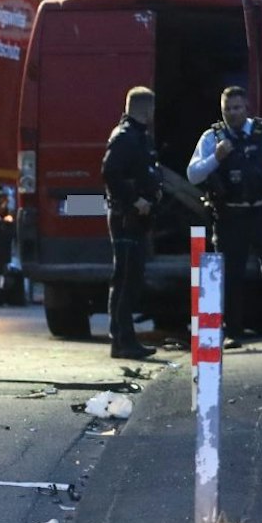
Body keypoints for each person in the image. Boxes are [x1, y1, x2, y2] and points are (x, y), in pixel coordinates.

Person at [185, 86, 262, 339]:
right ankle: (232, 331)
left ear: (246, 108)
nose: (232, 113)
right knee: (230, 276)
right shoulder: (213, 137)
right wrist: (216, 158)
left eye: (237, 108)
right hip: (230, 215)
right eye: (227, 109)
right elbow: (193, 174)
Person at [102, 87, 161, 360]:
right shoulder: (125, 137)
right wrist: (136, 200)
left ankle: (126, 339)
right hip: (126, 217)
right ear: (146, 109)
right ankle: (122, 341)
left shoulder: (138, 137)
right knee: (125, 279)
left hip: (136, 220)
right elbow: (110, 172)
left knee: (132, 279)